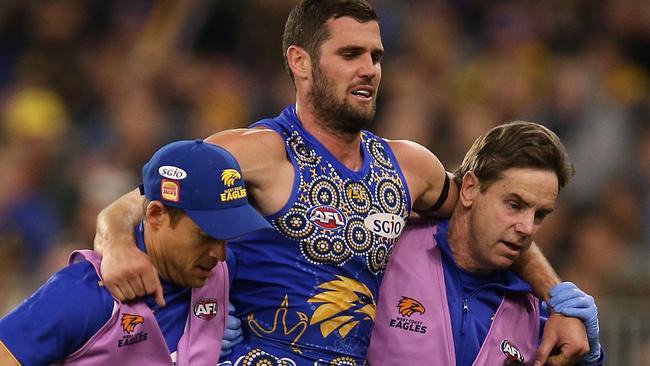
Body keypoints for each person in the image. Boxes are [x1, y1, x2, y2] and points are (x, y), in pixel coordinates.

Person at [94, 1, 589, 365]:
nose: (369, 69)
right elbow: (144, 204)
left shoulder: (408, 165)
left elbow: (495, 214)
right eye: (350, 54)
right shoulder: (258, 151)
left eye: (375, 55)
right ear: (300, 62)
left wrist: (557, 298)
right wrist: (117, 245)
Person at [0, 140, 272, 365]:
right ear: (156, 215)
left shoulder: (224, 268)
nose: (219, 254)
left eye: (226, 236)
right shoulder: (84, 294)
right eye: (205, 236)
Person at [367, 121, 603, 365]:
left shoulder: (537, 314)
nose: (528, 227)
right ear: (469, 189)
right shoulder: (389, 251)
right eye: (515, 205)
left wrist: (587, 361)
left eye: (540, 214)